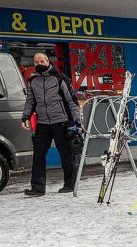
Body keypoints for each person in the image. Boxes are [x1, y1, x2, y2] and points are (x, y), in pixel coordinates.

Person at [21, 53, 82, 196]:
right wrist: (25, 117)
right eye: (36, 62)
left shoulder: (61, 79)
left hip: (61, 122)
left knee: (66, 154)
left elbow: (72, 102)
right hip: (42, 123)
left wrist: (78, 122)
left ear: (48, 62)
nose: (39, 63)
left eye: (42, 60)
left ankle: (70, 184)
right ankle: (38, 188)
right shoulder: (32, 81)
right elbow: (30, 101)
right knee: (38, 155)